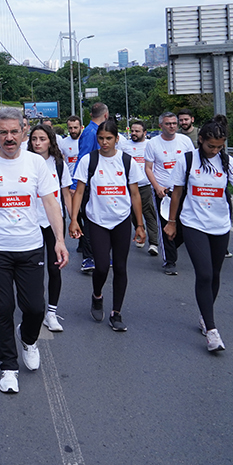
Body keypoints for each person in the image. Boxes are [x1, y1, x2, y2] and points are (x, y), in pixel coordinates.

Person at [0, 108, 68, 394]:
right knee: (2, 308)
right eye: (2, 132)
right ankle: (8, 367)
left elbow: (50, 203)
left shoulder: (36, 164)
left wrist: (59, 239)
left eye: (13, 132)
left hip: (30, 247)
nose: (8, 137)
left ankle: (29, 339)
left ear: (23, 132)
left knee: (34, 307)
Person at [163, 116, 233, 352]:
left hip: (220, 224)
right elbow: (177, 193)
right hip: (193, 223)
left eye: (219, 146)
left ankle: (205, 313)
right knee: (203, 273)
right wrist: (172, 222)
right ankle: (211, 330)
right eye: (211, 146)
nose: (215, 150)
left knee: (215, 274)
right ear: (200, 140)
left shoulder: (227, 161)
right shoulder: (188, 160)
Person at [70, 120, 145, 332]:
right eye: (101, 138)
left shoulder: (127, 161)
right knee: (101, 266)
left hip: (121, 219)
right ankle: (97, 295)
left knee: (120, 267)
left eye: (109, 138)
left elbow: (135, 194)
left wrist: (139, 224)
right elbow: (78, 192)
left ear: (117, 139)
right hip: (97, 220)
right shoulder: (89, 161)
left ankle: (117, 312)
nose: (104, 142)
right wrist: (74, 219)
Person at [26, 123, 73, 332]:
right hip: (30, 221)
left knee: (55, 268)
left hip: (53, 221)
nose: (37, 143)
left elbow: (65, 194)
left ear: (50, 141)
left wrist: (73, 220)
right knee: (32, 269)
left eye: (42, 139)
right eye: (34, 139)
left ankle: (51, 313)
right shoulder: (24, 162)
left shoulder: (59, 163)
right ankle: (32, 311)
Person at [144, 112, 195, 276]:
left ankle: (172, 245)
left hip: (183, 190)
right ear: (161, 126)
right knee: (166, 226)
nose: (172, 126)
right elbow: (148, 168)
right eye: (168, 123)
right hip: (164, 193)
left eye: (174, 123)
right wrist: (157, 187)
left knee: (184, 226)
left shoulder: (185, 141)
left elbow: (193, 164)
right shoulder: (153, 144)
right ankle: (169, 261)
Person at [74, 103, 110, 273]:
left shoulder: (96, 131)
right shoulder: (91, 133)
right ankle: (89, 258)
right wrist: (76, 186)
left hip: (99, 184)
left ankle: (100, 254)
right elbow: (83, 159)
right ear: (106, 115)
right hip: (88, 185)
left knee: (101, 220)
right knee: (90, 222)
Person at [118, 120, 159, 255]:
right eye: (132, 131)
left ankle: (154, 243)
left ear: (145, 133)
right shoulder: (124, 146)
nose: (134, 134)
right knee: (133, 214)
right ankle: (140, 232)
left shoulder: (150, 145)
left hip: (145, 185)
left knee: (149, 213)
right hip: (129, 186)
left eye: (137, 131)